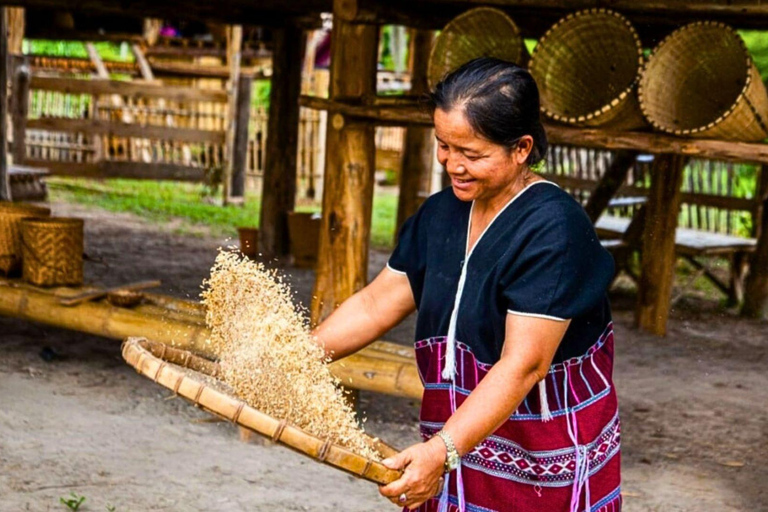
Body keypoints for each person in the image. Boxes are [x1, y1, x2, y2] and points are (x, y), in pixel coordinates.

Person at [312, 58, 621, 512]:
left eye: (472, 155)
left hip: (541, 451)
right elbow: (376, 304)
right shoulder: (441, 215)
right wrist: (296, 355)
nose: (453, 165)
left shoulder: (554, 229)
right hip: (458, 432)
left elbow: (525, 364)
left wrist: (441, 451)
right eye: (443, 145)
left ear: (521, 148)